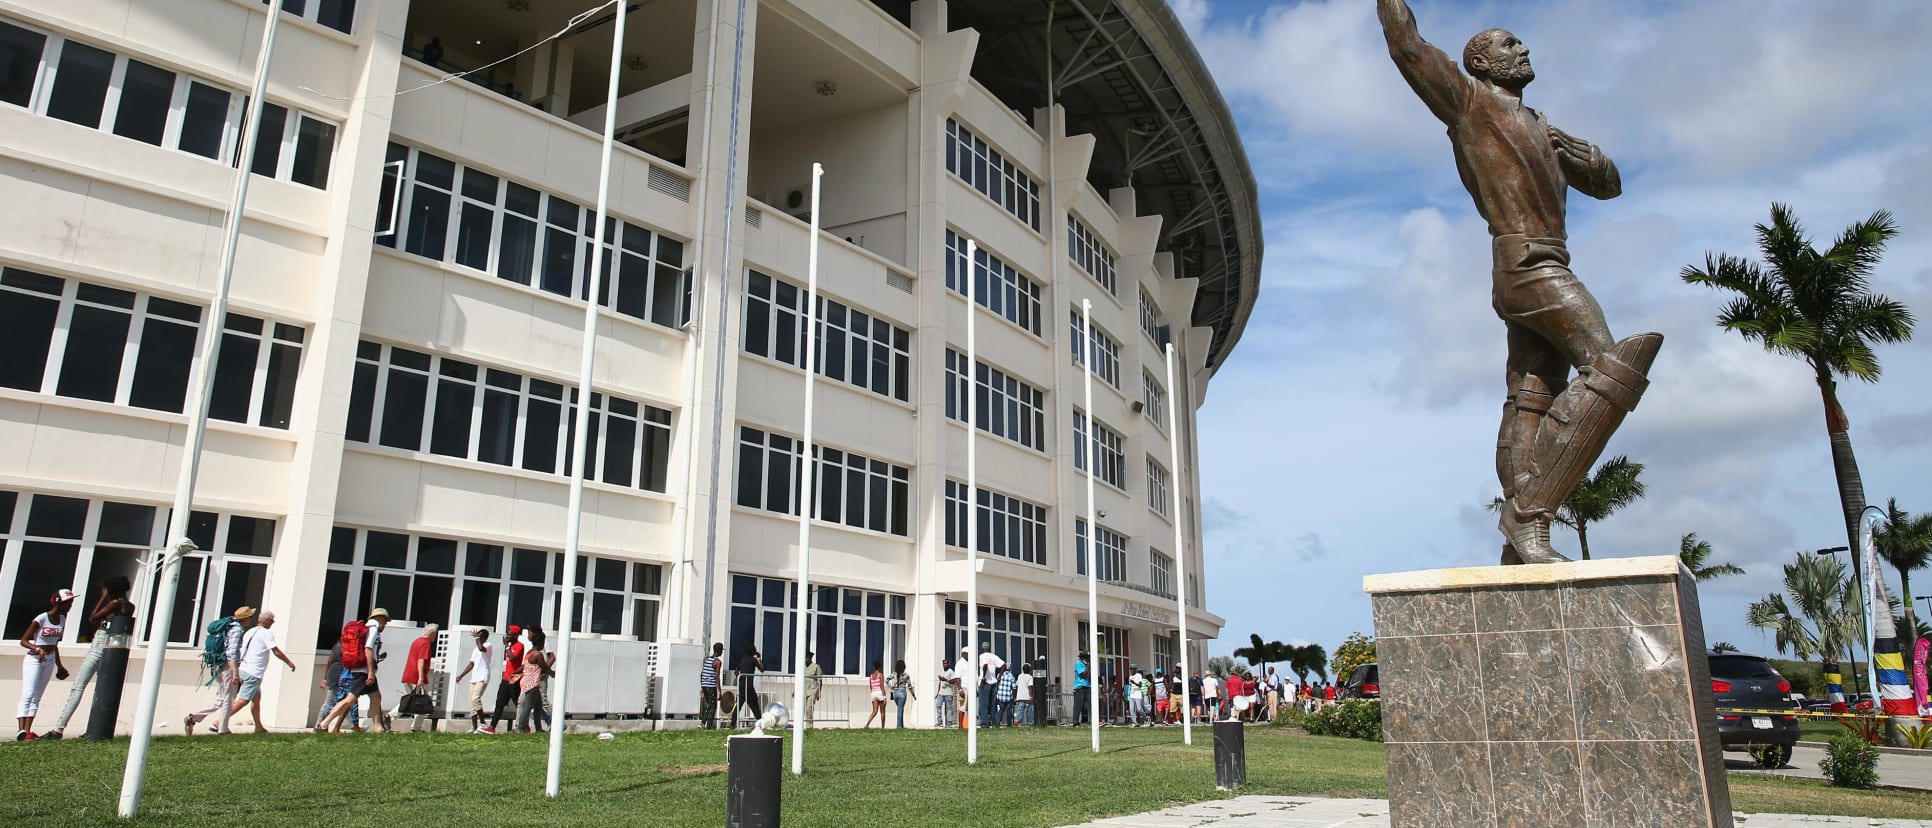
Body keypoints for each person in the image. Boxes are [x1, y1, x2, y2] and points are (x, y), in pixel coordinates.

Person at [1376, 0, 1659, 566]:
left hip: (1550, 260)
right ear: (1480, 63)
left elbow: (1609, 187)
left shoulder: (1542, 126)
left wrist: (1593, 159)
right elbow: (1407, 45)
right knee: (1612, 369)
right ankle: (1529, 513)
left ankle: (1521, 536)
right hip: (1527, 266)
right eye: (1509, 44)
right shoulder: (1468, 103)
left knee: (1531, 398)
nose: (1523, 49)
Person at [45, 577, 134, 739]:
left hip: (100, 642)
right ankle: (95, 727)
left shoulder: (114, 603)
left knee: (78, 686)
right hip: (112, 645)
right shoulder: (129, 606)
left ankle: (58, 728)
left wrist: (102, 597)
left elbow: (93, 617)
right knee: (102, 688)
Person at [16, 589, 75, 740]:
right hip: (34, 659)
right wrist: (37, 649)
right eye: (68, 603)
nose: (70, 606)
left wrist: (60, 666)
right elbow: (24, 641)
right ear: (58, 603)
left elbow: (55, 644)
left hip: (49, 659)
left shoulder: (62, 619)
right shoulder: (41, 619)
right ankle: (20, 730)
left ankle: (27, 731)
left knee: (37, 696)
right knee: (28, 693)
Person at [321, 608, 391, 733]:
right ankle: (324, 723)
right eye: (385, 621)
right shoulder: (373, 629)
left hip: (363, 669)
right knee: (350, 699)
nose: (385, 625)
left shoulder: (366, 628)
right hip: (363, 671)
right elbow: (368, 649)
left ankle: (378, 727)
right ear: (380, 619)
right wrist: (370, 671)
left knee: (376, 696)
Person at [184, 605, 249, 736]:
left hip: (218, 664)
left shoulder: (228, 626)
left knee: (221, 697)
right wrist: (235, 672)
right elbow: (232, 651)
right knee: (229, 698)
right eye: (250, 617)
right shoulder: (237, 630)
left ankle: (194, 717)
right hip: (228, 666)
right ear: (246, 619)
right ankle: (223, 729)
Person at [226, 610, 295, 732]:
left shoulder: (250, 631)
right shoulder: (266, 633)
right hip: (254, 672)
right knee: (244, 700)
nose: (273, 623)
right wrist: (289, 662)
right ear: (267, 621)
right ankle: (220, 722)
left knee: (256, 699)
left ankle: (258, 727)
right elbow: (276, 651)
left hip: (243, 668)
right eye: (272, 620)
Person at [399, 623, 440, 732]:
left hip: (409, 673)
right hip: (417, 676)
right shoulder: (426, 643)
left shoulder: (416, 641)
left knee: (409, 699)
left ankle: (392, 716)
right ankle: (415, 726)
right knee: (425, 701)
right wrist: (421, 677)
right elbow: (421, 660)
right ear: (432, 633)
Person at [452, 627, 493, 733]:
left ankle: (483, 723)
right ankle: (474, 727)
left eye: (480, 636)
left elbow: (481, 648)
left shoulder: (488, 645)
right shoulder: (475, 650)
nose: (477, 637)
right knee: (472, 703)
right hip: (474, 677)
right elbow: (471, 664)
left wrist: (477, 638)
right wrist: (462, 675)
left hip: (483, 676)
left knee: (476, 698)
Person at [313, 641, 359, 732]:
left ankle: (353, 725)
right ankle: (319, 725)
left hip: (337, 674)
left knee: (347, 701)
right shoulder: (344, 646)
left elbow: (330, 661)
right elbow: (330, 660)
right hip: (339, 675)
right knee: (332, 701)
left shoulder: (338, 646)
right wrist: (325, 678)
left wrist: (325, 677)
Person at [488, 626, 525, 733]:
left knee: (518, 702)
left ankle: (523, 725)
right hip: (505, 679)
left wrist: (507, 647)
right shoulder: (511, 646)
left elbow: (513, 658)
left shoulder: (519, 646)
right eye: (507, 634)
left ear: (516, 635)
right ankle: (492, 726)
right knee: (499, 703)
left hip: (514, 680)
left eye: (510, 634)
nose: (507, 636)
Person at [516, 630, 552, 733]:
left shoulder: (529, 653)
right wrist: (552, 673)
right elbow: (544, 667)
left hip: (527, 682)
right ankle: (521, 727)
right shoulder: (537, 655)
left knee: (538, 706)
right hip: (532, 684)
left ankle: (538, 728)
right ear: (540, 643)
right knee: (528, 707)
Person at [977, 642, 1004, 728]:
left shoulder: (982, 656)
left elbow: (985, 665)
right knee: (993, 705)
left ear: (982, 648)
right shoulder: (993, 656)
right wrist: (999, 675)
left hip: (985, 682)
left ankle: (985, 723)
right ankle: (996, 723)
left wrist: (984, 677)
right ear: (989, 648)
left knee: (984, 704)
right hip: (994, 682)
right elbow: (1003, 665)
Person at [734, 646, 763, 728]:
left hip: (742, 686)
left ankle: (732, 724)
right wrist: (759, 659)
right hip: (749, 686)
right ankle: (761, 722)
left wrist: (739, 678)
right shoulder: (753, 660)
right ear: (753, 652)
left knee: (738, 705)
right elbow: (762, 669)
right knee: (755, 705)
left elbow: (736, 671)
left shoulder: (743, 659)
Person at [698, 642, 724, 729]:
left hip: (705, 685)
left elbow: (702, 673)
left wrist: (702, 687)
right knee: (713, 706)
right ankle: (708, 725)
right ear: (719, 651)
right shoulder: (717, 662)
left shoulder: (708, 660)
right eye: (721, 650)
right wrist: (719, 691)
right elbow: (717, 677)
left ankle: (703, 723)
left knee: (709, 705)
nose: (722, 653)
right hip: (711, 685)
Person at [888, 659, 915, 729]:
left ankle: (901, 725)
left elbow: (886, 680)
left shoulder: (894, 674)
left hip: (895, 693)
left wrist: (891, 687)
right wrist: (913, 695)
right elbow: (909, 686)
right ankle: (899, 726)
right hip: (902, 692)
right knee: (900, 709)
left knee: (900, 709)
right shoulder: (906, 675)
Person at [952, 647, 974, 729]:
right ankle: (961, 726)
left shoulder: (970, 663)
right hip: (963, 688)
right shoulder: (960, 663)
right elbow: (957, 678)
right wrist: (960, 689)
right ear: (963, 654)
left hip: (971, 688)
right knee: (962, 708)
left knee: (970, 708)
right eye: (968, 654)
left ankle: (968, 725)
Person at [862, 660, 886, 729]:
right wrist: (884, 697)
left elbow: (871, 686)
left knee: (874, 711)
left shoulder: (871, 676)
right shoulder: (880, 675)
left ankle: (867, 724)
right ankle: (883, 727)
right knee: (882, 712)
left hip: (873, 693)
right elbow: (882, 686)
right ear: (880, 667)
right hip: (879, 692)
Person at [802, 651, 823, 728]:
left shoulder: (816, 667)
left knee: (809, 708)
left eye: (807, 658)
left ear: (810, 658)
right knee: (801, 708)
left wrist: (818, 693)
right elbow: (798, 680)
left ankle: (809, 726)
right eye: (805, 657)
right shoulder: (801, 666)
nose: (806, 659)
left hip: (812, 690)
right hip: (803, 690)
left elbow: (820, 681)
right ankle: (800, 725)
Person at [935, 658, 957, 729]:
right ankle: (939, 721)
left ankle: (949, 722)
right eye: (943, 664)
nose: (944, 665)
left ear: (948, 664)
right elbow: (940, 683)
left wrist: (946, 680)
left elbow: (954, 681)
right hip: (941, 692)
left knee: (949, 708)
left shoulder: (951, 672)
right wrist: (937, 692)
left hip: (948, 693)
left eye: (946, 663)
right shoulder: (941, 671)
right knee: (938, 705)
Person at [1071, 651, 1091, 727]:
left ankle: (1095, 720)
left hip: (1088, 686)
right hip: (1080, 687)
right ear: (1083, 657)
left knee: (1090, 705)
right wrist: (1089, 666)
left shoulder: (1086, 665)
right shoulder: (1078, 664)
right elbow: (1084, 675)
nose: (1088, 659)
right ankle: (1076, 722)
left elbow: (1089, 676)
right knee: (1078, 705)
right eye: (1087, 657)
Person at [1014, 661, 1034, 727]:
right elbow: (1030, 687)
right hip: (1027, 696)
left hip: (1020, 696)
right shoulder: (1030, 677)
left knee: (1020, 709)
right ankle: (1030, 723)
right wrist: (1030, 696)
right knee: (1029, 710)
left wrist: (1016, 696)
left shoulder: (1020, 676)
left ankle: (1017, 720)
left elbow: (1017, 685)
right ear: (1029, 670)